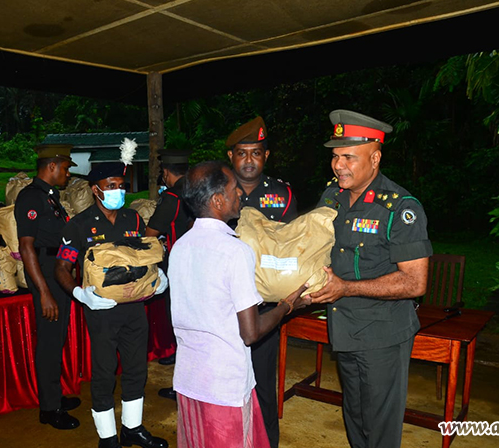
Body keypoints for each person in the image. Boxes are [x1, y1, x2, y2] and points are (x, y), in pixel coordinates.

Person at [310, 110, 431, 448]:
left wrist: (345, 288)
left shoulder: (399, 208)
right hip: (344, 327)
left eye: (349, 157)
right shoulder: (331, 197)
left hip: (382, 334)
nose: (338, 165)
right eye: (335, 156)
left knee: (380, 424)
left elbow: (414, 282)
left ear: (375, 158)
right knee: (356, 414)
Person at [168, 160, 309, 448]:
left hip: (189, 378)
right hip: (224, 383)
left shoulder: (179, 247)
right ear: (218, 200)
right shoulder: (235, 251)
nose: (240, 195)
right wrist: (286, 307)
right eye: (234, 189)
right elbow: (250, 332)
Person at [54, 162, 168, 448]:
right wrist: (80, 295)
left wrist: (158, 277)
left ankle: (132, 427)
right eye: (111, 186)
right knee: (104, 372)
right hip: (102, 311)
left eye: (121, 186)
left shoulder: (133, 219)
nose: (118, 191)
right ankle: (108, 438)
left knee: (136, 369)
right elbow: (61, 267)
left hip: (135, 308)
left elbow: (144, 256)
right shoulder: (79, 224)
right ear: (96, 190)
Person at [226, 116, 297, 448]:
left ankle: (266, 442)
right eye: (242, 153)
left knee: (263, 384)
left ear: (266, 156)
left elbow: (293, 246)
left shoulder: (281, 194)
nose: (249, 160)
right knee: (225, 382)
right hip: (223, 305)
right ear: (231, 157)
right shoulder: (217, 191)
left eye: (256, 153)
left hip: (263, 305)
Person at [14, 144, 81, 430]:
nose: (67, 174)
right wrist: (44, 292)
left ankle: (54, 396)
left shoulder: (50, 197)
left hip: (57, 271)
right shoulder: (31, 197)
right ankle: (49, 408)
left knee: (57, 338)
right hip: (45, 274)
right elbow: (26, 247)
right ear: (52, 166)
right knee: (50, 341)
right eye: (65, 168)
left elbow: (60, 241)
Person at [144, 149, 193, 399]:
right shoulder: (198, 191)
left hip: (179, 268)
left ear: (165, 172)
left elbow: (151, 233)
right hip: (199, 266)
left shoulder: (172, 197)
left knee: (181, 322)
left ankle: (183, 385)